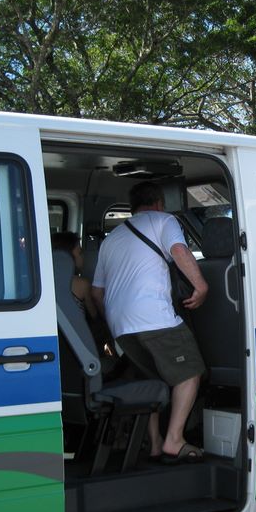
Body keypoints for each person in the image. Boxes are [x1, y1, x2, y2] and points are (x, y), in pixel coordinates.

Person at [92, 181, 209, 463]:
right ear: (159, 202)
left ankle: (154, 443)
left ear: (133, 206)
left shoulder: (113, 237)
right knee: (190, 372)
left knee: (151, 380)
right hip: (153, 319)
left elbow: (97, 292)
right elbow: (179, 251)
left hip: (121, 327)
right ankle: (174, 440)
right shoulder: (163, 220)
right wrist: (201, 285)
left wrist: (111, 326)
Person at [51, 231, 99, 320]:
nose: (83, 257)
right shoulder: (82, 284)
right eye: (80, 253)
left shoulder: (43, 282)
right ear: (67, 256)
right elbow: (94, 315)